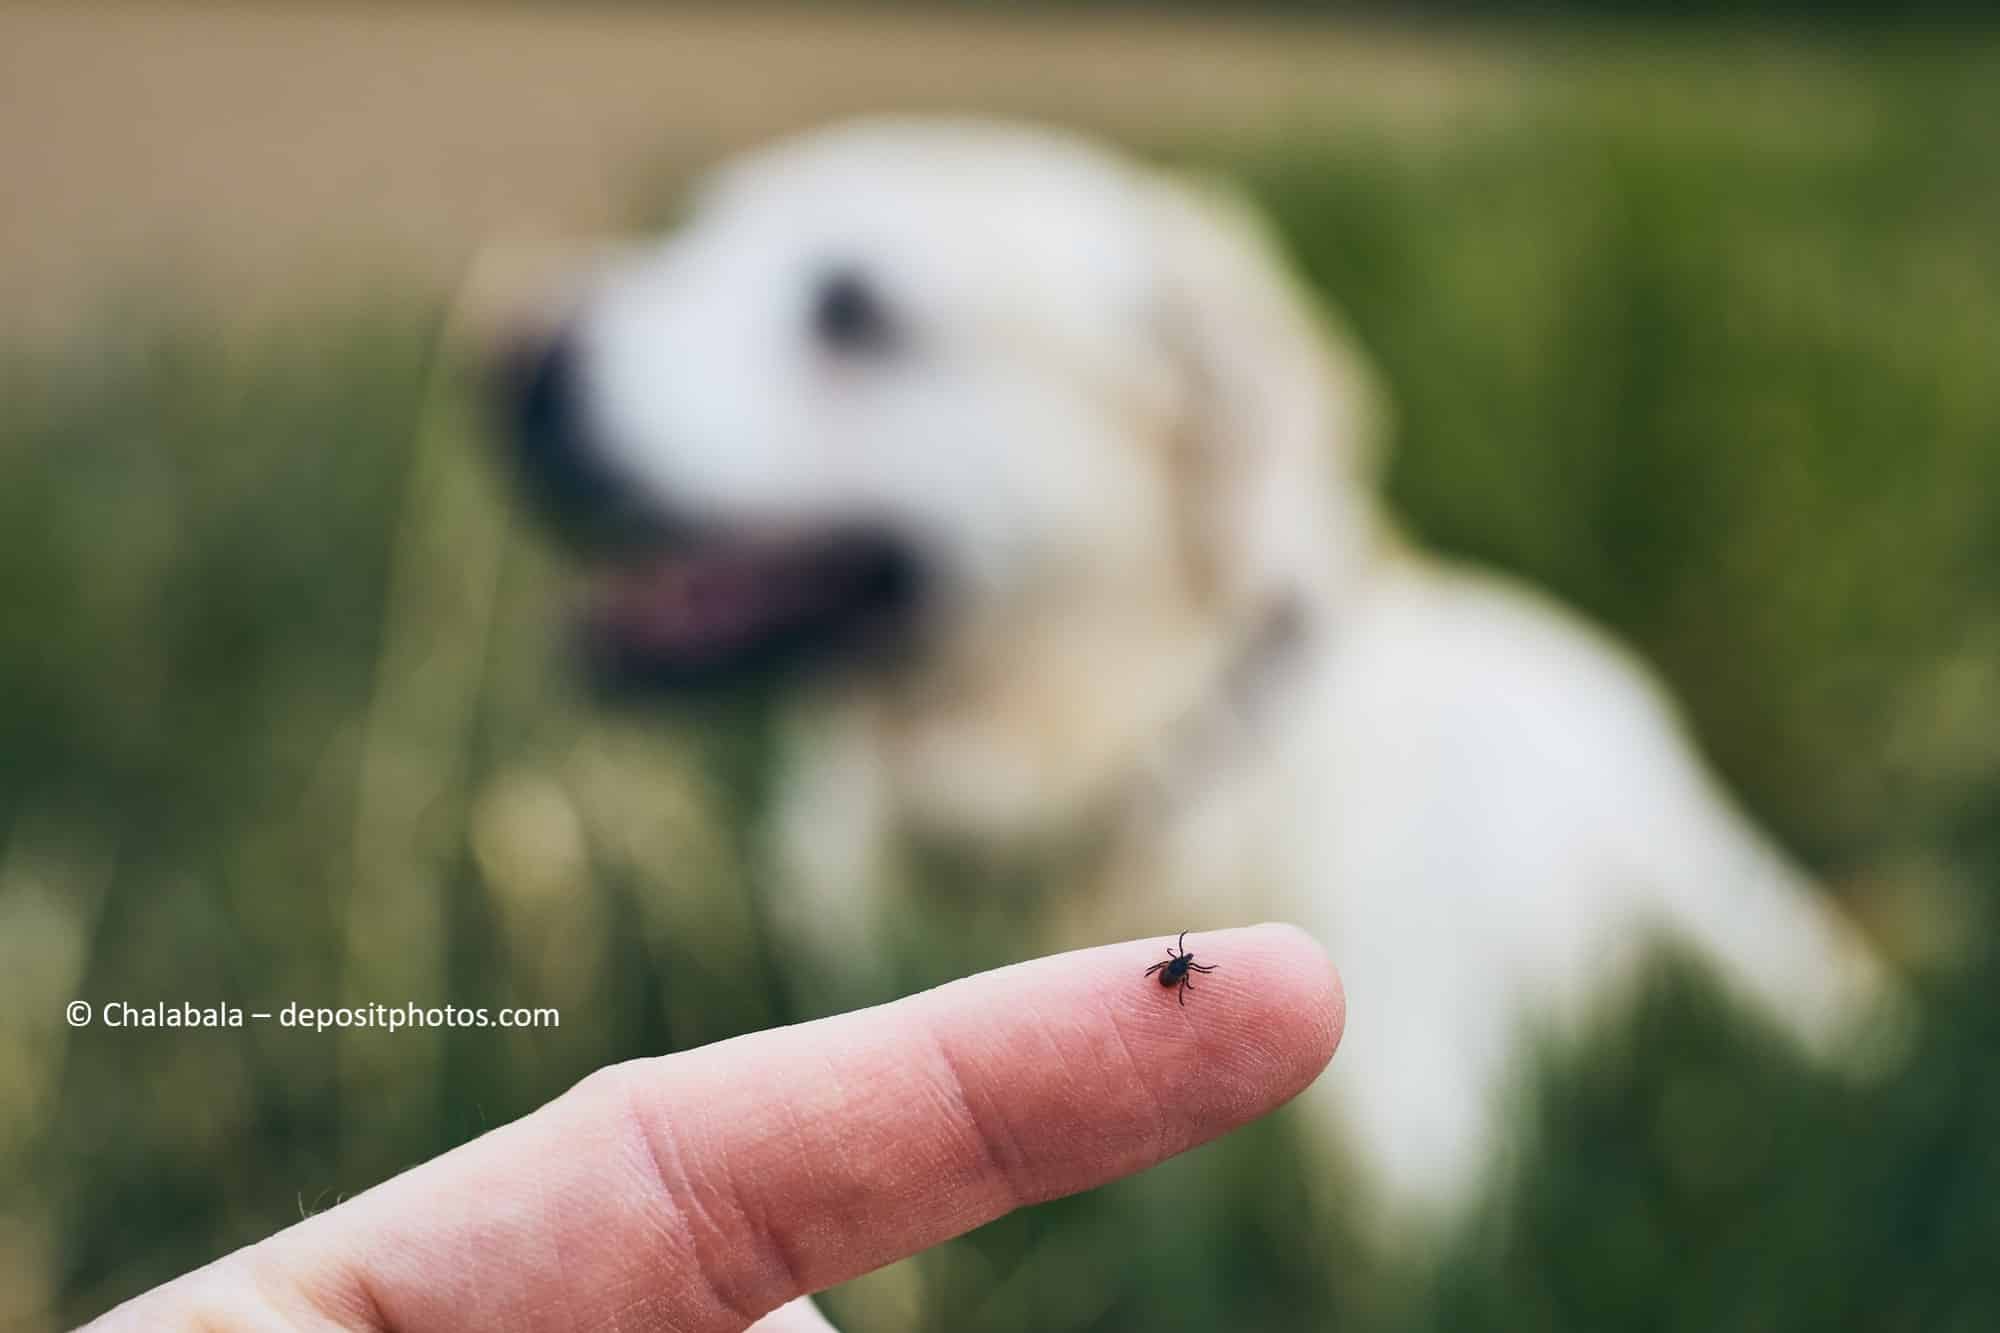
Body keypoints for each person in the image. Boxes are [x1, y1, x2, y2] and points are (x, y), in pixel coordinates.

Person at [84, 925, 1341, 1331]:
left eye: (1175, 967)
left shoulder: (1173, 979)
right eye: (1177, 967)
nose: (1175, 970)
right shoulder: (1178, 978)